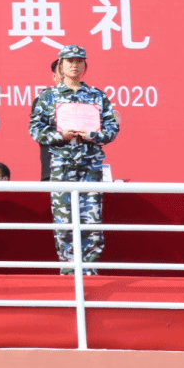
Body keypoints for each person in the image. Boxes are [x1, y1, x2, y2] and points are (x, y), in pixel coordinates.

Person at [29, 45, 119, 275]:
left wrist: (92, 135)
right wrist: (60, 136)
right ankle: (68, 271)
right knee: (64, 222)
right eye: (69, 61)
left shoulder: (97, 96)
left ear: (84, 65)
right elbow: (35, 129)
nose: (74, 65)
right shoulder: (48, 96)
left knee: (92, 221)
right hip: (61, 164)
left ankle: (90, 271)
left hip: (90, 164)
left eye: (79, 61)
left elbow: (112, 129)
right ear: (61, 65)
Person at [38, 59, 63, 181]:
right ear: (54, 76)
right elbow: (38, 131)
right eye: (61, 72)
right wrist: (62, 135)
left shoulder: (89, 97)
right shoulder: (45, 99)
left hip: (85, 169)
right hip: (55, 168)